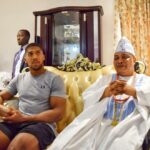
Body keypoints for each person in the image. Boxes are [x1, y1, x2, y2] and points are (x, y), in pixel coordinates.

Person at [48, 37, 150, 150]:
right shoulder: (105, 80)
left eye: (125, 57)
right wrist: (105, 92)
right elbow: (87, 97)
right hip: (100, 124)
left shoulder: (144, 80)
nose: (120, 61)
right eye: (116, 58)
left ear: (134, 59)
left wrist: (133, 92)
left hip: (129, 126)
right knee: (69, 144)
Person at [0, 43, 66, 150]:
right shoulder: (19, 78)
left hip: (42, 125)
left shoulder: (54, 79)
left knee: (17, 147)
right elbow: (2, 96)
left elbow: (58, 113)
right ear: (25, 59)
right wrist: (3, 110)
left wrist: (24, 118)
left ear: (43, 56)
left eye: (38, 53)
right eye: (30, 54)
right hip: (17, 122)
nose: (35, 57)